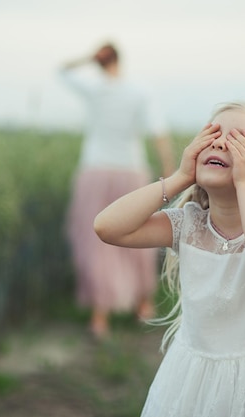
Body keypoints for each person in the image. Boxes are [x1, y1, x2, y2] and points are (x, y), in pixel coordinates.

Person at [94, 102, 245, 416]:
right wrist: (179, 177)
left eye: (240, 141)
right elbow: (107, 227)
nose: (220, 142)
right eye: (211, 135)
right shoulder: (190, 224)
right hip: (196, 383)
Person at [59, 42, 175, 339]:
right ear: (120, 59)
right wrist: (170, 170)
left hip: (95, 170)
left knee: (95, 238)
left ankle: (100, 318)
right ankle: (143, 306)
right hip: (131, 171)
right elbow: (158, 132)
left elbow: (62, 71)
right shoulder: (140, 91)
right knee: (139, 233)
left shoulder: (94, 90)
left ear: (99, 62)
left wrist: (87, 56)